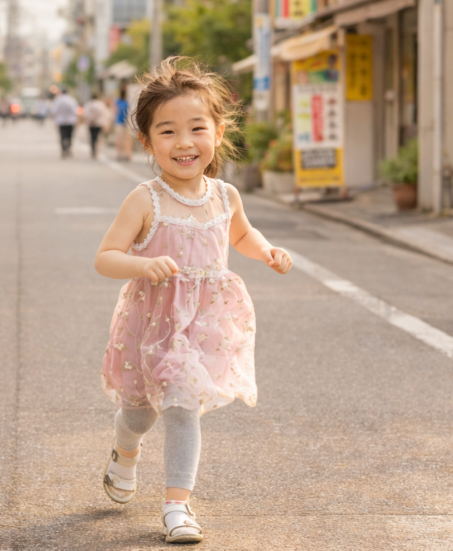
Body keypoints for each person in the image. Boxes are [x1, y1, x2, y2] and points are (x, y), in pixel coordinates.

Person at [94, 58, 292, 544]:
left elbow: (240, 236)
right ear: (147, 142)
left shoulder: (225, 195)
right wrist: (143, 264)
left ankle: (176, 506)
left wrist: (265, 252)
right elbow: (106, 257)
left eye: (196, 128)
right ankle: (125, 449)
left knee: (183, 404)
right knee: (140, 411)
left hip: (204, 323)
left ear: (218, 131)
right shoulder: (145, 199)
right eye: (167, 131)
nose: (184, 143)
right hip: (154, 320)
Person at [52, 89, 80, 158]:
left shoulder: (58, 100)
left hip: (61, 121)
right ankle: (69, 148)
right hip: (71, 121)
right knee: (70, 136)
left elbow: (54, 111)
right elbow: (76, 111)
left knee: (62, 136)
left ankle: (63, 150)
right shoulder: (72, 100)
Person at [83, 92, 110, 159]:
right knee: (98, 137)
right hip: (99, 123)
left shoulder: (88, 104)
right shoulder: (101, 104)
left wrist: (90, 119)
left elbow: (85, 114)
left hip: (91, 123)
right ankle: (97, 149)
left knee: (92, 137)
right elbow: (105, 114)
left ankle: (93, 150)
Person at [114, 90, 131, 161]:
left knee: (119, 139)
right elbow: (129, 113)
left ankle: (119, 154)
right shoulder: (126, 103)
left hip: (118, 122)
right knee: (126, 139)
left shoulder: (117, 102)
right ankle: (126, 154)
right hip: (125, 123)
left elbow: (115, 112)